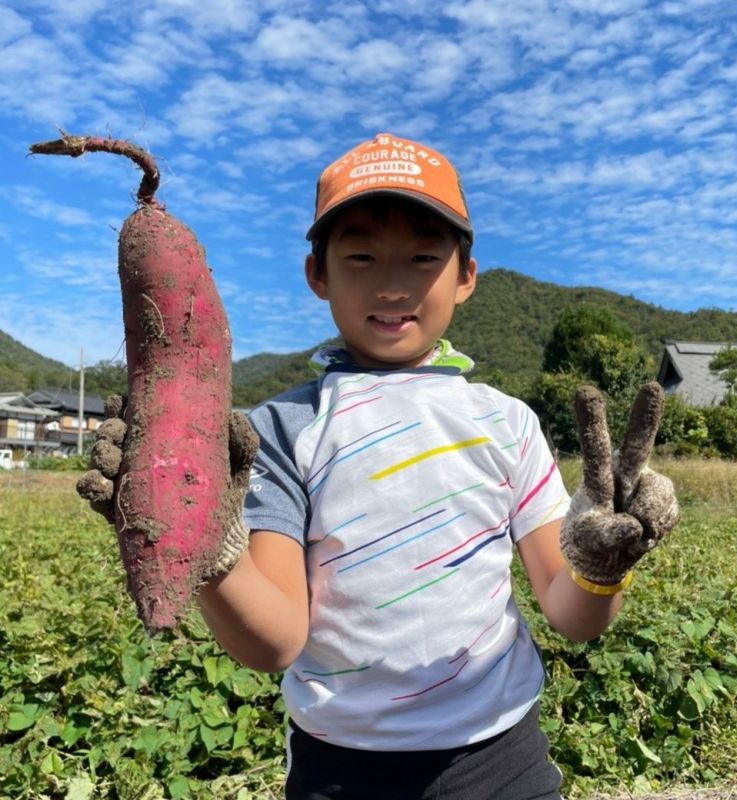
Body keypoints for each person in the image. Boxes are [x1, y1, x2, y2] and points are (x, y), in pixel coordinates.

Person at [81, 132, 679, 800]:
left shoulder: (507, 421)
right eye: (361, 257)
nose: (393, 285)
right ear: (318, 273)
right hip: (341, 769)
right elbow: (274, 643)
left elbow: (572, 616)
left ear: (466, 276)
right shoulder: (278, 429)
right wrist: (213, 548)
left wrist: (599, 569)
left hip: (502, 758)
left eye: (423, 258)